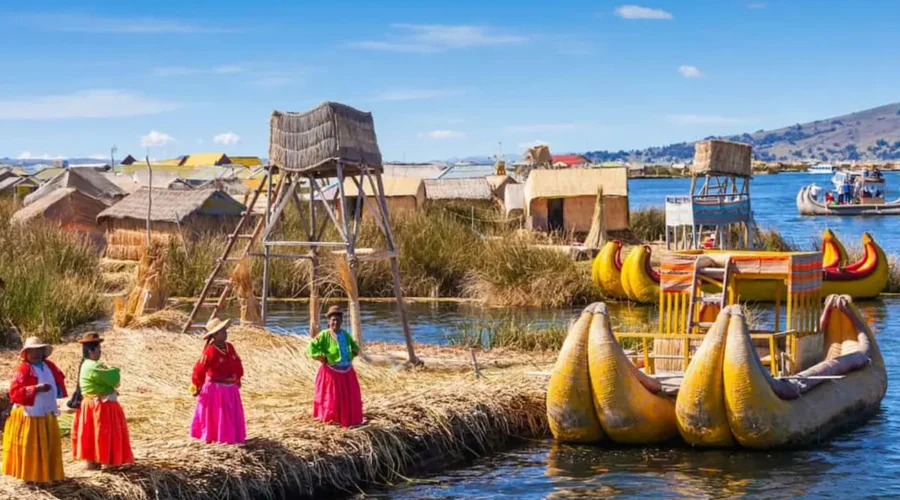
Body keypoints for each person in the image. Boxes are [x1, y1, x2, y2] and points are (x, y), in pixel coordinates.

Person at [2, 337, 67, 483]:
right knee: (31, 447)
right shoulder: (23, 369)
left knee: (47, 445)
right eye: (31, 351)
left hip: (47, 412)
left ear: (43, 352)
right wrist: (35, 389)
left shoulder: (49, 366)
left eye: (38, 350)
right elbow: (14, 393)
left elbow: (59, 381)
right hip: (29, 414)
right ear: (25, 354)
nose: (35, 354)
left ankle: (46, 474)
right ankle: (30, 476)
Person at [71, 332, 134, 470]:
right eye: (99, 349)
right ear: (91, 350)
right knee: (101, 433)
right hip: (99, 406)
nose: (100, 351)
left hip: (91, 404)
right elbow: (114, 378)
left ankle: (93, 462)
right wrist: (115, 370)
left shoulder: (86, 364)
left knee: (92, 434)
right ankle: (106, 461)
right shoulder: (94, 366)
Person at [190, 317, 245, 444]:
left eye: (225, 330)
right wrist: (197, 385)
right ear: (215, 335)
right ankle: (215, 437)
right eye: (222, 331)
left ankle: (231, 437)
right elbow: (199, 369)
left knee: (230, 413)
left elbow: (237, 363)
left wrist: (237, 378)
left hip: (230, 388)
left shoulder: (229, 347)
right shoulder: (210, 350)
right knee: (218, 414)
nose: (226, 333)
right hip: (216, 389)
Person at [308, 306, 363, 427]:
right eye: (333, 320)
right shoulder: (324, 335)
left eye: (338, 320)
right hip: (332, 373)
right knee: (332, 398)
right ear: (328, 321)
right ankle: (332, 420)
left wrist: (351, 355)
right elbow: (311, 347)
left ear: (342, 321)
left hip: (347, 372)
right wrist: (322, 357)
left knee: (348, 397)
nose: (335, 322)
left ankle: (347, 419)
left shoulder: (345, 334)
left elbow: (355, 347)